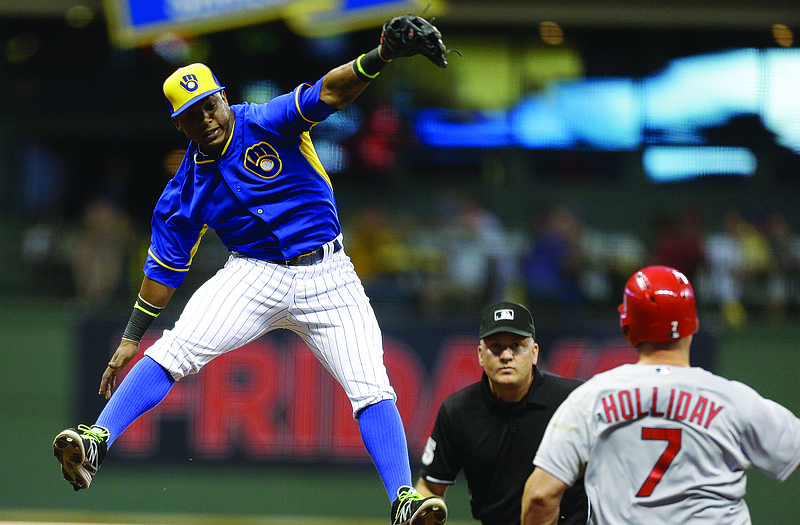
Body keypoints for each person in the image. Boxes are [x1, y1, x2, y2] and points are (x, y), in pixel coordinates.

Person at [52, 15, 450, 525]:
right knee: (175, 348)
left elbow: (329, 93)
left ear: (223, 96)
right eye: (193, 114)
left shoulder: (265, 119)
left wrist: (380, 58)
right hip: (254, 275)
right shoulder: (183, 191)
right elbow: (164, 267)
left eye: (211, 103)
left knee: (371, 385)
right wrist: (131, 336)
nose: (208, 117)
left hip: (329, 274)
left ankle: (403, 499)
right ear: (181, 124)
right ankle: (96, 442)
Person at [521, 265, 800, 525]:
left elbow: (540, 496)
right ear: (693, 324)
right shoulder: (734, 400)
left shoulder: (591, 398)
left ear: (628, 328)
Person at [415, 301, 588, 525]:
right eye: (495, 346)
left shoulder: (574, 400)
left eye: (516, 345)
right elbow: (429, 486)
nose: (506, 355)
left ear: (534, 353)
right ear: (480, 355)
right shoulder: (458, 411)